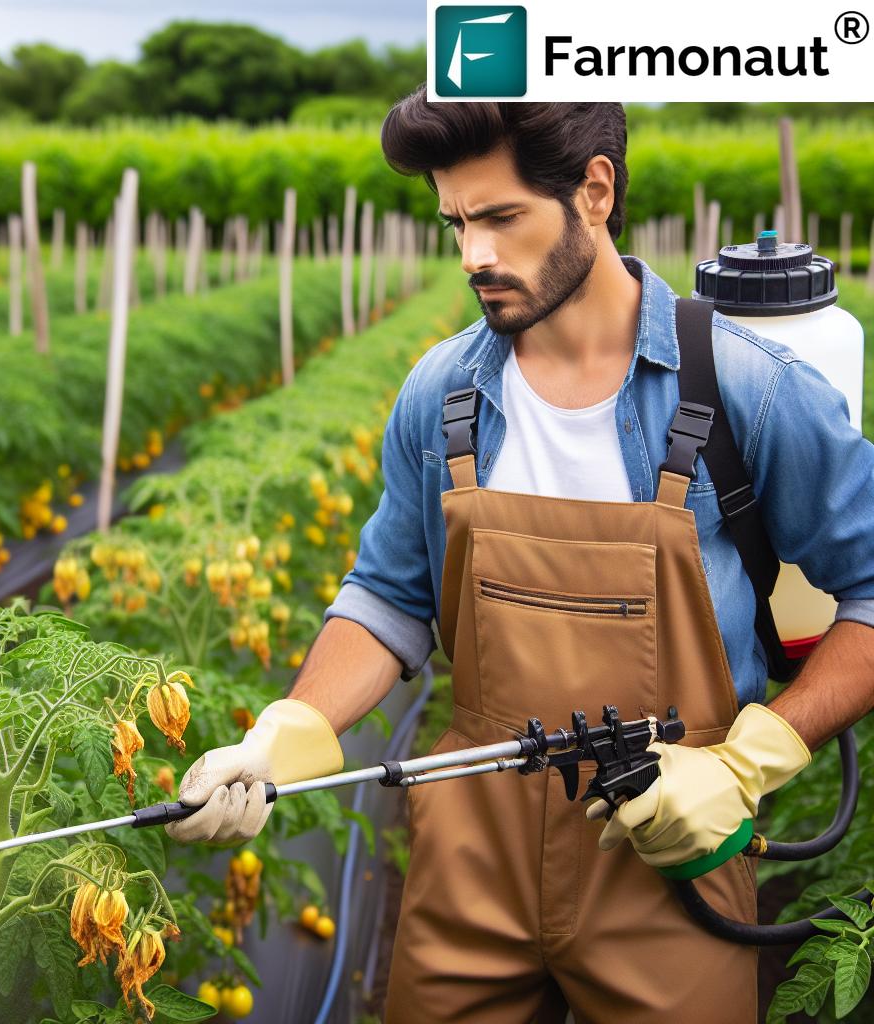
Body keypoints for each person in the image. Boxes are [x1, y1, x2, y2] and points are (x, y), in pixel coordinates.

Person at [164, 92, 874, 1022]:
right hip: (472, 852)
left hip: (667, 850)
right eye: (456, 221)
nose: (474, 257)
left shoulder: (743, 387)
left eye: (501, 217)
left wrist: (750, 761)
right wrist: (285, 731)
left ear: (594, 191)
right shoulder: (446, 393)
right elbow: (389, 594)